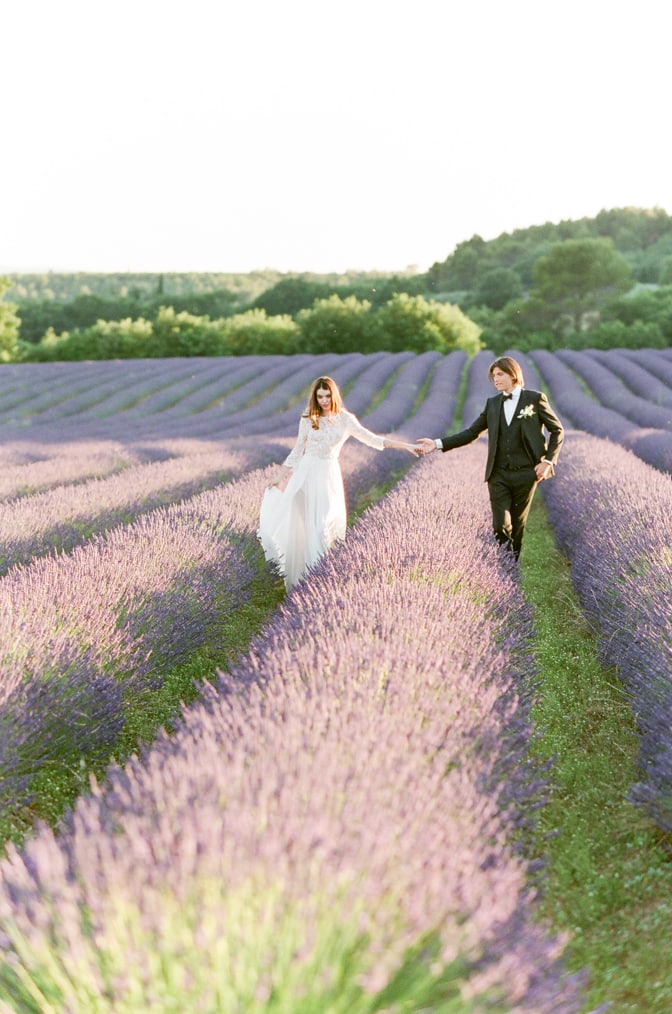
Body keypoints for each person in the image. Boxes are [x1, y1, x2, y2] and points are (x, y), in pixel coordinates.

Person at [258, 375, 419, 588]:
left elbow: (374, 440)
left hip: (327, 477)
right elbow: (298, 451)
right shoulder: (308, 418)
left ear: (334, 395)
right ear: (315, 397)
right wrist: (279, 478)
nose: (324, 400)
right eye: (320, 396)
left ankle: (319, 581)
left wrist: (406, 446)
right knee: (301, 529)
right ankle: (300, 583)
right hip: (304, 477)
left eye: (327, 395)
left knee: (322, 528)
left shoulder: (345, 419)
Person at [417, 356, 564, 560]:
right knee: (500, 526)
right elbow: (471, 433)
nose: (495, 379)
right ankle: (505, 564)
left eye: (500, 374)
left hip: (526, 473)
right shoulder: (493, 404)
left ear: (513, 375)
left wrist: (547, 462)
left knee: (517, 525)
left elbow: (557, 430)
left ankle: (510, 567)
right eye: (493, 375)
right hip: (498, 474)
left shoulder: (534, 399)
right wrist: (437, 443)